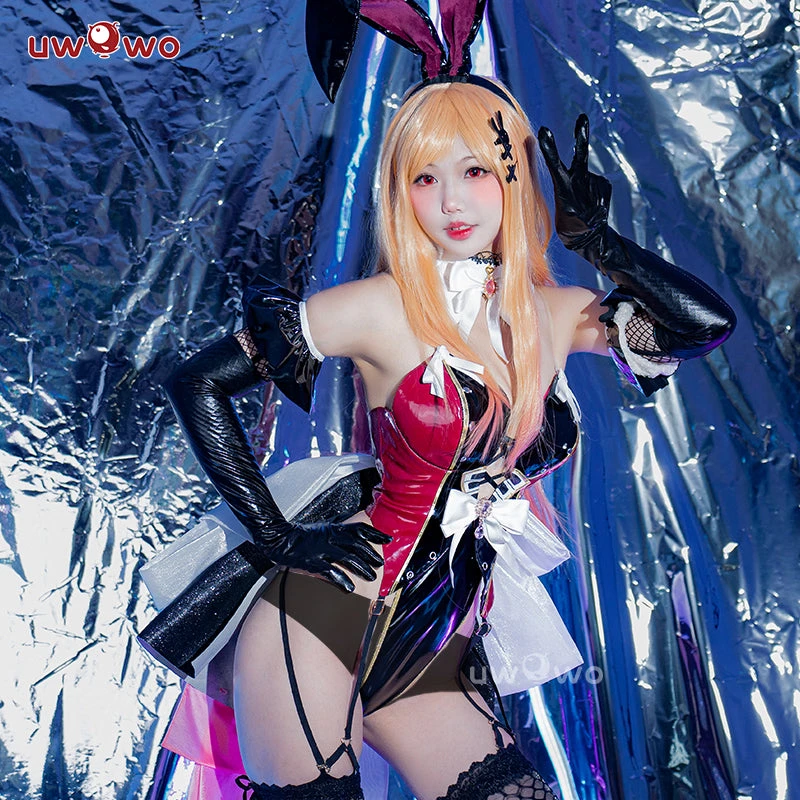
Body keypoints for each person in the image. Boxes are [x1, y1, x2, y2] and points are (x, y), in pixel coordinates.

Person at [138, 73, 735, 800]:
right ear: (402, 193)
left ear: (515, 180)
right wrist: (277, 537)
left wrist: (601, 244)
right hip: (324, 613)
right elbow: (196, 382)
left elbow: (702, 327)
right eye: (426, 178)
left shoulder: (558, 314)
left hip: (434, 628)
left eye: (475, 171)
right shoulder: (379, 307)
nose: (452, 201)